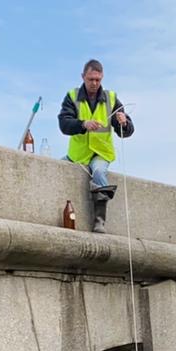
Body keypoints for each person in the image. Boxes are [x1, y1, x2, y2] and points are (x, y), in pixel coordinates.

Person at [58, 59, 134, 233]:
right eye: (91, 79)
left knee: (99, 172)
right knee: (56, 167)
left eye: (98, 80)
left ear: (102, 78)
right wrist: (83, 124)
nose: (94, 83)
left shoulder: (111, 98)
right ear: (83, 77)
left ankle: (99, 221)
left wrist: (124, 122)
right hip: (78, 154)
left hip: (101, 153)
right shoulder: (72, 96)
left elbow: (126, 131)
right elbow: (64, 124)